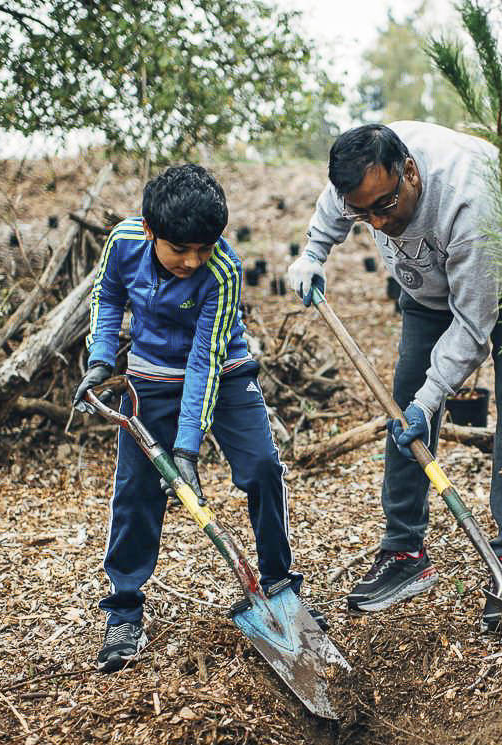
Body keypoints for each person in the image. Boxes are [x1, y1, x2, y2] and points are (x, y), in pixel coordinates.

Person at [286, 121, 502, 633]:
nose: (376, 222)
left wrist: (432, 398)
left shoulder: (468, 204)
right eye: (362, 213)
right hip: (432, 281)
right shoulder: (363, 175)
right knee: (402, 405)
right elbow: (335, 203)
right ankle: (404, 552)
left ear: (409, 171)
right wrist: (313, 253)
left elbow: (474, 327)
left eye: (385, 207)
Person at [73, 164, 323, 673]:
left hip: (223, 371)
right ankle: (123, 611)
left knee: (262, 469)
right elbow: (108, 295)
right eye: (179, 249)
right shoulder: (124, 240)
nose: (192, 260)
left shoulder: (223, 270)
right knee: (136, 491)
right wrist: (102, 357)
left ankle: (278, 584)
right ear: (150, 231)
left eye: (203, 249)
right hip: (149, 378)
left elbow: (204, 362)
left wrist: (187, 450)